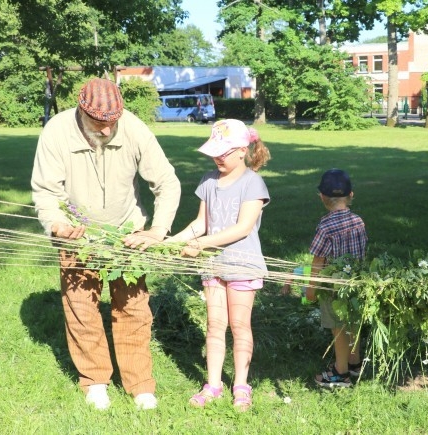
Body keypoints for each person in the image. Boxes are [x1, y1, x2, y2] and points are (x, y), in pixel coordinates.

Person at [31, 78, 181, 410]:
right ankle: (95, 381)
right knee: (81, 309)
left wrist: (157, 230)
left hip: (127, 234)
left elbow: (167, 182)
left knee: (133, 309)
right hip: (77, 236)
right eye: (99, 123)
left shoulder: (133, 128)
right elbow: (45, 191)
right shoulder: (56, 132)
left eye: (111, 123)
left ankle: (140, 383)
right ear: (81, 113)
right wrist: (56, 223)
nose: (106, 130)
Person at [166, 119, 271, 411]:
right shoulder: (208, 180)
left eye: (223, 152)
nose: (217, 158)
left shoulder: (253, 183)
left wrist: (202, 244)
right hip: (213, 265)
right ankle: (212, 384)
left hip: (242, 266)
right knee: (214, 326)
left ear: (241, 151)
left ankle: (241, 385)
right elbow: (200, 224)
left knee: (239, 326)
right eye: (214, 152)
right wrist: (171, 243)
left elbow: (243, 228)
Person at [304, 169, 367, 388]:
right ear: (351, 195)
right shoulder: (359, 221)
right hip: (356, 284)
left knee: (338, 328)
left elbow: (318, 262)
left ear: (321, 196)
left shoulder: (325, 226)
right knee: (352, 324)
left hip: (333, 289)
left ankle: (341, 373)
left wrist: (311, 288)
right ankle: (354, 363)